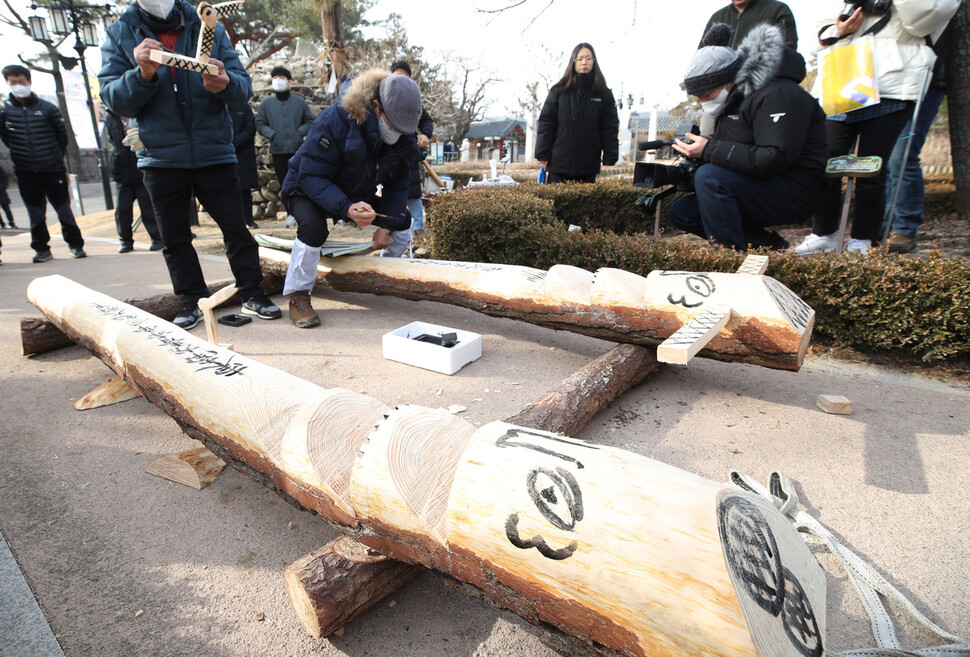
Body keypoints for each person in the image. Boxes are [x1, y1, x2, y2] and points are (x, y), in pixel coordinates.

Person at [98, 0, 281, 330]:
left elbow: (242, 88)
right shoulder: (121, 32)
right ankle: (191, 300)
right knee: (174, 237)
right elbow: (113, 97)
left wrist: (225, 84)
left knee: (237, 230)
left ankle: (252, 292)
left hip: (214, 151)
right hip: (160, 156)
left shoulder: (206, 25)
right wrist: (142, 74)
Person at [794, 0, 959, 256]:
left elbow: (925, 18)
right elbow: (821, 33)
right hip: (844, 77)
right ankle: (822, 233)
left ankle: (863, 238)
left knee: (873, 165)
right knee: (825, 161)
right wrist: (839, 29)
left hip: (892, 83)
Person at [666, 23, 828, 251]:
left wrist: (709, 150)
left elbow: (774, 157)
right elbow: (736, 154)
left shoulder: (780, 94)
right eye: (699, 98)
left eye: (707, 95)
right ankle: (768, 246)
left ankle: (732, 260)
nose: (704, 102)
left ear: (728, 80)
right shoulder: (735, 100)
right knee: (682, 212)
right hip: (762, 184)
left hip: (794, 192)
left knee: (710, 178)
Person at [280, 69, 423, 328]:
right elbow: (311, 176)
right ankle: (299, 296)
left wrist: (387, 227)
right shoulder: (336, 119)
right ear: (376, 106)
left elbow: (399, 185)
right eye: (393, 126)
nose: (398, 134)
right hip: (305, 186)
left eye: (404, 131)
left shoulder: (403, 133)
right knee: (313, 228)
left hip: (357, 190)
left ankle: (388, 276)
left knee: (402, 217)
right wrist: (347, 208)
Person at [1, 64, 86, 262]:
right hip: (25, 170)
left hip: (52, 168)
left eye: (21, 81)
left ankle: (75, 245)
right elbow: (6, 138)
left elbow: (61, 137)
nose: (18, 86)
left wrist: (54, 156)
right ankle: (41, 248)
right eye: (13, 82)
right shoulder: (4, 111)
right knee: (35, 213)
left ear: (29, 81)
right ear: (7, 84)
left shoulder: (47, 108)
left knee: (63, 210)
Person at [883, 24, 952, 253]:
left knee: (902, 156)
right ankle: (884, 226)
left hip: (925, 80)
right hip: (887, 82)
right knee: (883, 157)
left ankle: (904, 228)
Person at [535, 43, 619, 183]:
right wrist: (542, 153)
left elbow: (609, 127)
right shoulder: (559, 91)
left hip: (588, 164)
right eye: (579, 59)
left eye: (588, 58)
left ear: (594, 61)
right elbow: (546, 123)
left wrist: (610, 154)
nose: (584, 62)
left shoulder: (603, 93)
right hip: (558, 164)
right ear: (573, 62)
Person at [381, 60, 433, 258]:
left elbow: (426, 121)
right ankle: (392, 228)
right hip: (389, 157)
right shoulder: (383, 100)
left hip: (409, 154)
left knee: (412, 192)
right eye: (396, 76)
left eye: (404, 77)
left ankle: (417, 227)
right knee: (392, 196)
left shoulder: (413, 102)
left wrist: (424, 135)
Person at [255, 66, 314, 224]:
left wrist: (300, 132)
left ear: (289, 82)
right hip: (278, 150)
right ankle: (290, 214)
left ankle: (304, 214)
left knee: (301, 182)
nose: (277, 81)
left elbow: (310, 120)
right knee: (285, 184)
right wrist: (272, 134)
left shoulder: (299, 102)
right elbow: (260, 123)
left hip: (297, 150)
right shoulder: (267, 104)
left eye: (281, 78)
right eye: (275, 78)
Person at [106, 111, 163, 252]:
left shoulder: (138, 111)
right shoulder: (111, 117)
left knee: (147, 207)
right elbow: (113, 140)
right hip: (121, 168)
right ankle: (125, 240)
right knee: (122, 209)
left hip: (140, 167)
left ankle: (156, 238)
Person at [700, 0, 797, 50]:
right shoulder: (717, 17)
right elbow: (701, 58)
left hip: (765, 85)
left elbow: (788, 54)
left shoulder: (778, 11)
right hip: (722, 87)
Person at [230, 104, 259, 229]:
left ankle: (248, 218)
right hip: (226, 152)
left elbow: (250, 128)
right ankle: (235, 221)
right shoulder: (220, 105)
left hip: (243, 153)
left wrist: (237, 141)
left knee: (245, 188)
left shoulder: (244, 107)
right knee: (229, 190)